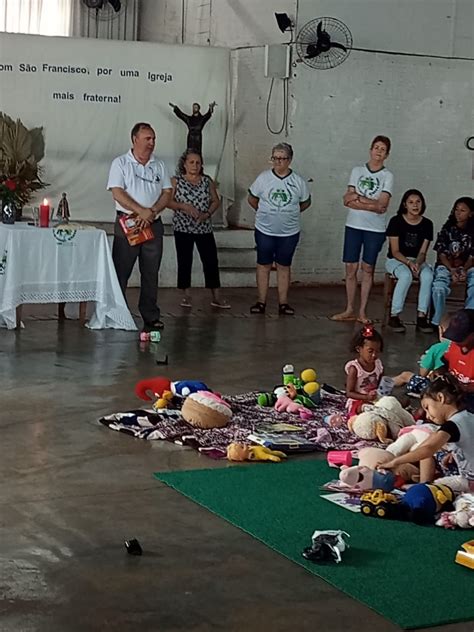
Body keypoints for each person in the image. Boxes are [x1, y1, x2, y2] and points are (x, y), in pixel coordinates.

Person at [107, 122, 172, 331]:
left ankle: (150, 315)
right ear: (135, 139)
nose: (152, 143)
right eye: (147, 139)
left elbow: (167, 192)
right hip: (129, 223)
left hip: (153, 223)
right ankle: (117, 313)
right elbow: (117, 192)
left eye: (153, 139)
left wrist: (151, 211)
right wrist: (139, 210)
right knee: (121, 270)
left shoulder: (159, 165)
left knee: (151, 272)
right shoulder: (121, 163)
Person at [331, 135, 393, 324]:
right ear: (370, 150)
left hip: (374, 229)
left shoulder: (387, 176)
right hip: (354, 226)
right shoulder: (357, 171)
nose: (378, 152)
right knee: (351, 268)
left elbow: (382, 205)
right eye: (376, 147)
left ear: (387, 154)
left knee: (368, 268)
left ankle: (362, 311)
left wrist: (359, 200)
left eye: (382, 149)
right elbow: (347, 199)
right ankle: (349, 308)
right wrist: (370, 205)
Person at [378, 374, 474, 493]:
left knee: (434, 487)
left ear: (440, 398)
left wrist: (395, 461)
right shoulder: (468, 415)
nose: (427, 416)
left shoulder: (452, 425)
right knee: (427, 450)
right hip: (467, 472)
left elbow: (428, 448)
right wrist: (455, 453)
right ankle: (423, 484)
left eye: (427, 407)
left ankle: (424, 487)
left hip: (469, 482)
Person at [247, 142, 311, 316]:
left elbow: (305, 203)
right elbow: (252, 199)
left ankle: (283, 303)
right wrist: (265, 212)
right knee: (263, 264)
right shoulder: (263, 178)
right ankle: (261, 302)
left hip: (288, 232)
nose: (278, 162)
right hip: (265, 230)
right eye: (275, 158)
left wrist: (287, 213)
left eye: (282, 158)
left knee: (284, 265)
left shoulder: (298, 181)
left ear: (289, 160)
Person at [167, 149, 229, 309]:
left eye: (198, 163)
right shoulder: (176, 181)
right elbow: (168, 201)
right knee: (185, 260)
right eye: (191, 162)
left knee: (210, 260)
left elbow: (215, 200)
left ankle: (216, 296)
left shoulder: (206, 181)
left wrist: (207, 213)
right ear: (184, 164)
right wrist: (183, 207)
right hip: (183, 227)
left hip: (204, 228)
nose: (195, 166)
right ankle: (186, 295)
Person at [385, 189, 434, 333]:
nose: (415, 205)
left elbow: (423, 252)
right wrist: (408, 263)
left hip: (416, 260)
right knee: (405, 275)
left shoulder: (427, 224)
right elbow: (395, 251)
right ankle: (394, 315)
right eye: (411, 202)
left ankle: (421, 316)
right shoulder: (396, 221)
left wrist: (417, 263)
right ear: (405, 204)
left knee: (428, 276)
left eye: (418, 202)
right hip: (396, 260)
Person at [431, 196, 474, 326]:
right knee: (439, 288)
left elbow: (473, 256)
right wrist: (451, 269)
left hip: (467, 267)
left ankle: (469, 320)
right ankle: (437, 322)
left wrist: (463, 269)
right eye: (456, 209)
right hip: (446, 266)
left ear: (471, 213)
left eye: (463, 210)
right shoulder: (447, 229)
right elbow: (441, 253)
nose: (458, 213)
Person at [392, 313, 451, 396]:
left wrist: (425, 359)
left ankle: (384, 384)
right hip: (456, 388)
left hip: (435, 388)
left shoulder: (436, 348)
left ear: (441, 330)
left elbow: (423, 373)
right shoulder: (464, 348)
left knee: (405, 375)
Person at [345, 324, 384, 417]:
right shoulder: (355, 368)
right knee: (364, 407)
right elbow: (349, 393)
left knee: (395, 402)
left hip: (374, 398)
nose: (374, 355)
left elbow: (380, 383)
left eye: (377, 351)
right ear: (359, 349)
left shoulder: (378, 364)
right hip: (358, 401)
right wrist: (366, 397)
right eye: (370, 351)